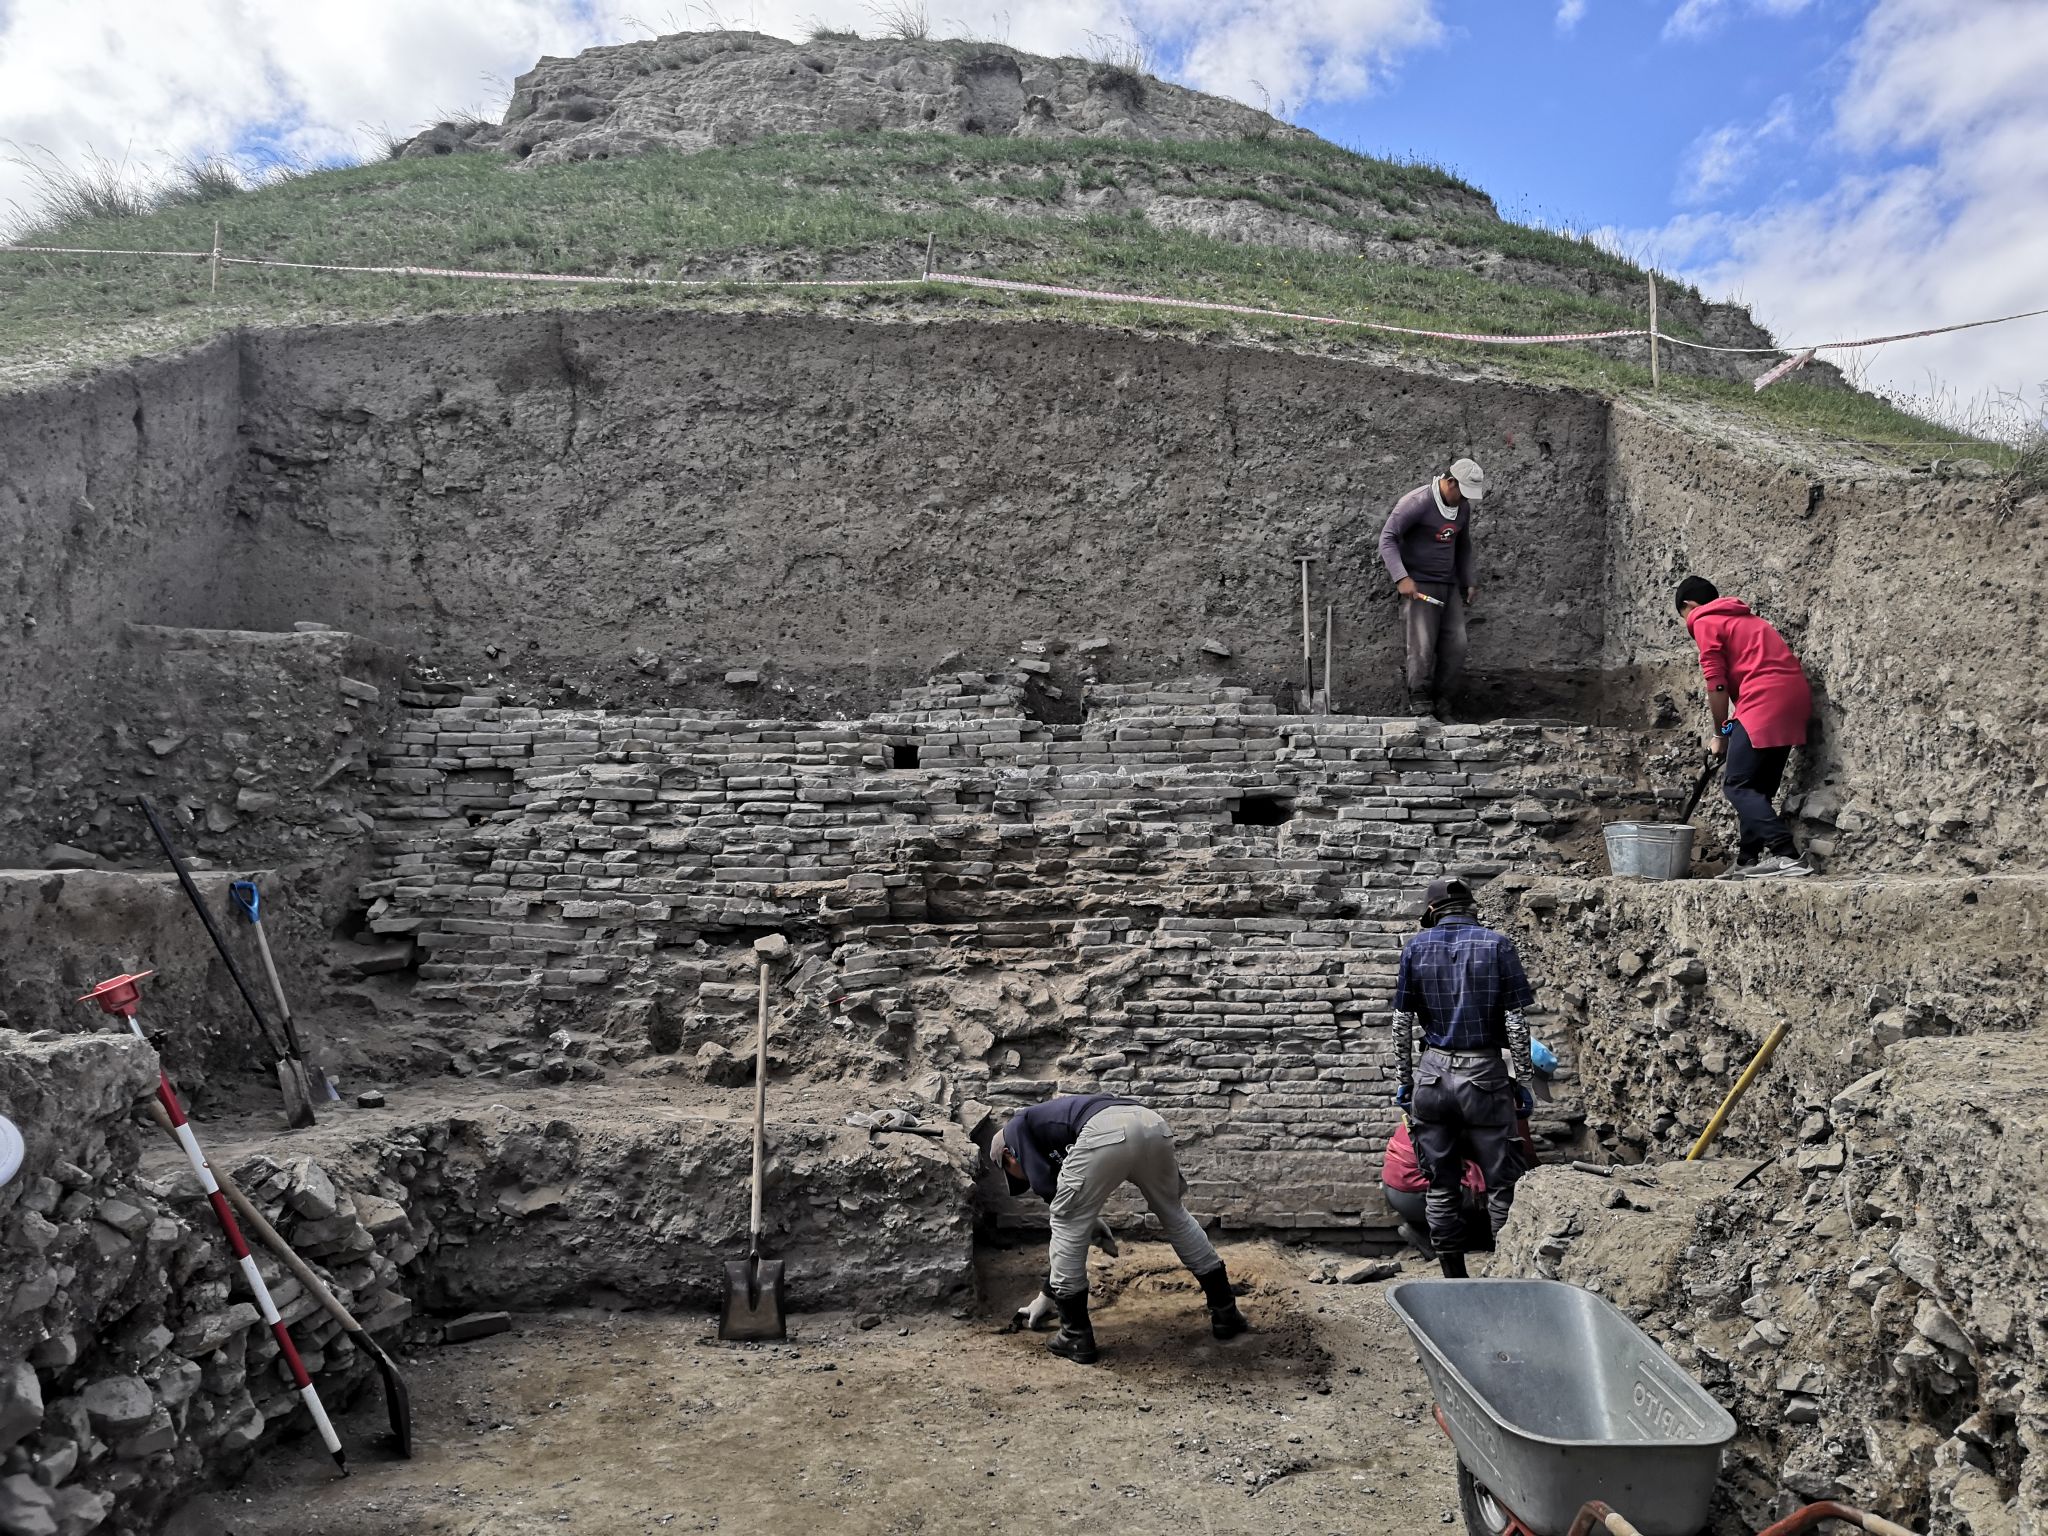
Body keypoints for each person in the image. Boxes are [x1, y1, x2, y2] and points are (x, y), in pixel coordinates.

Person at [984, 1093, 1247, 1364]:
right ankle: (1226, 1313)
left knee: (1065, 1222)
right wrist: (1045, 1297)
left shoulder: (1016, 1128)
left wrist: (1085, 1222)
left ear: (1008, 1155)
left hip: (1106, 1129)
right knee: (1174, 1214)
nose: (1021, 1178)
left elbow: (1048, 1188)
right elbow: (1077, 1193)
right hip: (1150, 1123)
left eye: (1012, 1174)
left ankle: (1075, 1336)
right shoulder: (1051, 1131)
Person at [1392, 877, 1536, 1277]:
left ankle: (1455, 1279)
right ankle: (1504, 1278)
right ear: (1471, 907)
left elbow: (1401, 1023)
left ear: (1432, 910)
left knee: (1440, 1187)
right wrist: (1522, 1078)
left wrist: (1406, 1078)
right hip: (1484, 1075)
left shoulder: (1415, 948)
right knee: (1501, 1186)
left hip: (1432, 1075)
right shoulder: (1497, 944)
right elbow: (1516, 1021)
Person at [1675, 577, 1814, 880]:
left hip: (1764, 700)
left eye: (1683, 616)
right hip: (1792, 698)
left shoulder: (1703, 619)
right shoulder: (1747, 620)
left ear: (1689, 606)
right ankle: (1747, 860)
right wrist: (1728, 732)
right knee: (1758, 788)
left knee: (1736, 785)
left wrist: (1717, 734)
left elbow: (1717, 682)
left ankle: (1788, 855)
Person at [1377, 457, 1487, 718]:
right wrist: (1401, 577)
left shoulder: (1462, 509)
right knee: (1422, 645)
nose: (1465, 500)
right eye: (1462, 493)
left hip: (1448, 585)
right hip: (1420, 585)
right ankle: (1421, 703)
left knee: (1456, 644)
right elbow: (1388, 538)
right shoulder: (1417, 503)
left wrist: (1468, 579)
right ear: (1450, 482)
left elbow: (1463, 545)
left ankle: (1444, 702)